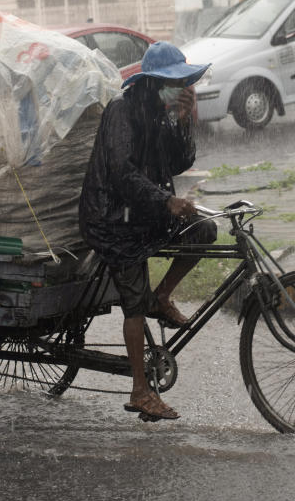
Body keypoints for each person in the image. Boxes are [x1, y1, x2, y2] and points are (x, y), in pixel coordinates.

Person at [78, 41, 217, 421]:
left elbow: (179, 161)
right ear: (153, 83)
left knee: (204, 231)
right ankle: (140, 391)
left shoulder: (161, 113)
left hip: (144, 211)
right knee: (133, 302)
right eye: (174, 84)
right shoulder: (123, 111)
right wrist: (166, 202)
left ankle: (164, 296)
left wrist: (184, 120)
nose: (180, 89)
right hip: (111, 219)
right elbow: (122, 173)